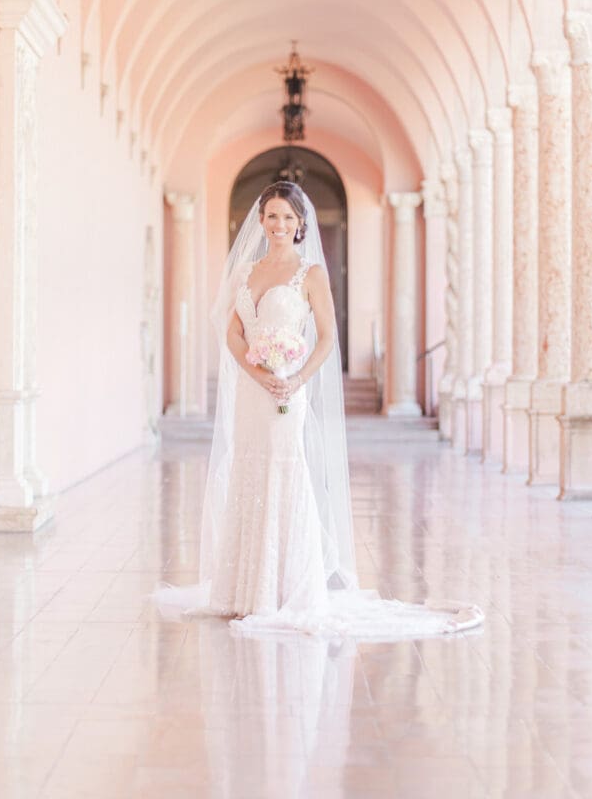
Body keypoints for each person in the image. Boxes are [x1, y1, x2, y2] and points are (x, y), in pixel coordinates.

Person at [155, 181, 484, 639]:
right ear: (261, 220)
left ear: (300, 223)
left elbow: (327, 337)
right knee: (249, 470)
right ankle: (244, 589)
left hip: (288, 390)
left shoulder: (309, 273)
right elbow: (232, 332)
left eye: (288, 217)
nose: (279, 225)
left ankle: (285, 588)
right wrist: (256, 372)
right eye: (271, 215)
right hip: (254, 389)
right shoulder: (247, 273)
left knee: (282, 473)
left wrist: (294, 380)